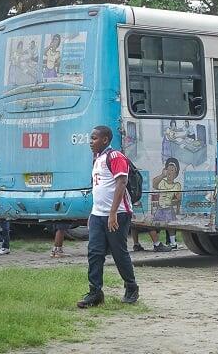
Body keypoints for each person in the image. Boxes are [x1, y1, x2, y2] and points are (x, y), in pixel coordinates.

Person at [77, 125, 139, 308]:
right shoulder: (97, 159)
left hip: (117, 214)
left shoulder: (115, 157)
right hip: (98, 215)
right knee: (94, 253)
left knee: (119, 252)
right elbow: (99, 189)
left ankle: (131, 287)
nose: (90, 141)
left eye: (94, 138)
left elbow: (121, 183)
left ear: (105, 140)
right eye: (90, 138)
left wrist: (112, 213)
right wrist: (93, 214)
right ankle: (95, 292)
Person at [150, 158, 183, 252]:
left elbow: (178, 198)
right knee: (155, 224)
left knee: (170, 224)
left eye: (172, 170)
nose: (170, 172)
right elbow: (154, 184)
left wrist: (176, 199)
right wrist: (162, 175)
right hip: (160, 208)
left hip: (168, 207)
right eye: (168, 169)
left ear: (176, 173)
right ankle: (157, 243)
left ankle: (173, 243)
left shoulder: (176, 185)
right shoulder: (162, 182)